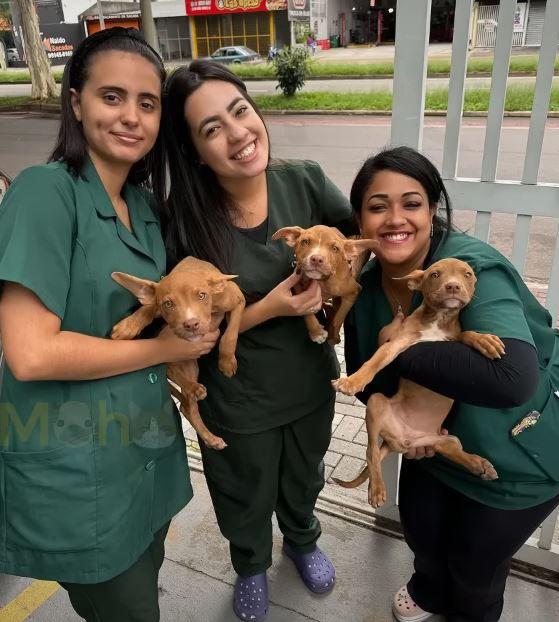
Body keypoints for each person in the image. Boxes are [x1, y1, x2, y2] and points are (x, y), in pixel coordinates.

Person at [0, 28, 218, 622]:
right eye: (112, 97)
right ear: (75, 101)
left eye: (148, 104)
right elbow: (31, 354)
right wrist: (165, 348)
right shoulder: (45, 193)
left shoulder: (145, 208)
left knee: (142, 582)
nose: (132, 117)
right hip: (77, 471)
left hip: (144, 454)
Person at [153, 60, 355, 622]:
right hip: (237, 394)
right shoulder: (186, 221)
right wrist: (269, 308)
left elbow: (358, 246)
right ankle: (249, 565)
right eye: (211, 128)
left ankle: (303, 538)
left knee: (304, 472)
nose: (238, 133)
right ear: (194, 150)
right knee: (243, 485)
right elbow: (183, 324)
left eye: (240, 111)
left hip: (309, 379)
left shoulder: (305, 181)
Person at [344, 145, 559, 622]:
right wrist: (406, 427)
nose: (395, 218)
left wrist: (398, 343)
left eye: (412, 203)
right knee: (422, 537)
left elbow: (511, 380)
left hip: (522, 448)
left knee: (474, 567)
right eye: (377, 206)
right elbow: (364, 378)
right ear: (359, 219)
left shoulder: (468, 267)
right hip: (437, 445)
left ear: (433, 208)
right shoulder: (369, 286)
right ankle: (428, 588)